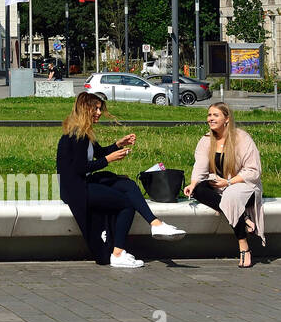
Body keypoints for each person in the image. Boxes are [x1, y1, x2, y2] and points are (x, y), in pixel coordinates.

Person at [55, 92, 187, 268]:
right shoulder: (76, 135)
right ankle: (118, 253)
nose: (99, 112)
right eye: (96, 108)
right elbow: (79, 168)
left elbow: (99, 153)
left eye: (100, 109)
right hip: (76, 190)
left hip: (83, 183)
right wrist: (109, 160)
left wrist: (118, 144)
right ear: (85, 109)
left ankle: (156, 224)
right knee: (126, 204)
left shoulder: (85, 133)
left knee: (127, 184)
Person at [183, 103, 266, 268]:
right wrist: (193, 184)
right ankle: (243, 218)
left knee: (231, 197)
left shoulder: (242, 139)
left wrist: (228, 182)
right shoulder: (206, 140)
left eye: (215, 115)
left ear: (226, 119)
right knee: (199, 189)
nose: (211, 119)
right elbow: (200, 166)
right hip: (220, 185)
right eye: (209, 115)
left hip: (243, 185)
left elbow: (253, 171)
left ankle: (243, 245)